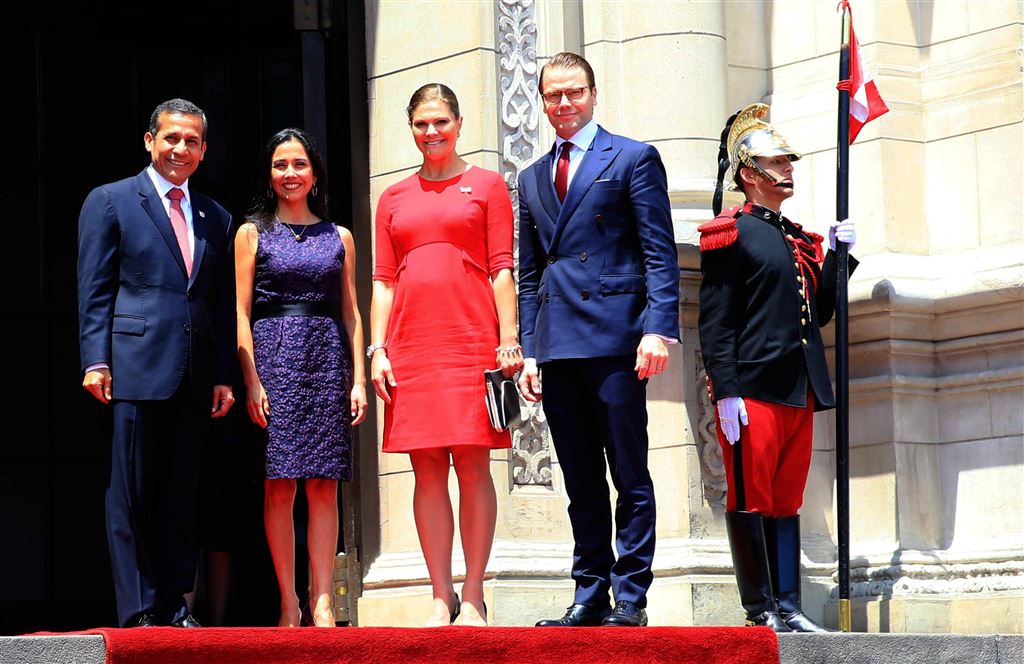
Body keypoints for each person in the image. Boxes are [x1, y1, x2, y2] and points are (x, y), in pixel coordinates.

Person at [517, 52, 680, 628]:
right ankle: (589, 591)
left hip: (617, 338)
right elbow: (530, 271)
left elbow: (659, 250)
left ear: (592, 94)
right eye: (553, 95)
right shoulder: (531, 176)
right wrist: (529, 350)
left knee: (628, 473)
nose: (564, 103)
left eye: (574, 92)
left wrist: (658, 329)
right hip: (558, 342)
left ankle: (630, 596)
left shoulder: (633, 157)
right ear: (542, 102)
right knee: (580, 477)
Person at [697, 103, 858, 633]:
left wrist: (838, 258)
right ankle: (760, 609)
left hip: (798, 387)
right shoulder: (732, 232)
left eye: (788, 161)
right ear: (749, 173)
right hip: (753, 388)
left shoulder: (795, 238)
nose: (788, 168)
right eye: (777, 161)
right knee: (752, 497)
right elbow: (716, 320)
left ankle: (788, 605)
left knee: (786, 500)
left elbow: (820, 312)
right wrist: (726, 390)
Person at [77, 98, 236, 628]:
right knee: (132, 493)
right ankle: (138, 607)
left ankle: (173, 603)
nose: (180, 148)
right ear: (150, 141)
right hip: (134, 366)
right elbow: (95, 290)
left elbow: (216, 303)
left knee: (180, 495)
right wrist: (96, 359)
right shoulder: (112, 200)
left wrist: (222, 374)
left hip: (194, 373)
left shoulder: (216, 216)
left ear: (204, 150)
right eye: (171, 137)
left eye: (191, 140)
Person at [370, 83, 521, 627]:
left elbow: (502, 268)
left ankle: (474, 593)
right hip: (411, 345)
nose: (431, 132)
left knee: (474, 464)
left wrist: (509, 339)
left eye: (440, 121)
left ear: (458, 123)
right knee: (426, 469)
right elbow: (383, 280)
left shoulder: (488, 186)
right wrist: (377, 349)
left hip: (472, 340)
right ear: (410, 128)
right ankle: (441, 594)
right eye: (421, 123)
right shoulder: (392, 198)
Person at [235, 128, 366, 627]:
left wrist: (357, 380)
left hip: (326, 358)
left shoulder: (339, 236)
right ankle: (288, 602)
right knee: (279, 483)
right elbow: (240, 311)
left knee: (325, 485)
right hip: (273, 356)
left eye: (299, 164)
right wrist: (251, 379)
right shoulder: (252, 233)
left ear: (314, 174)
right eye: (280, 165)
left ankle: (323, 601)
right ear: (269, 175)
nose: (290, 174)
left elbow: (351, 313)